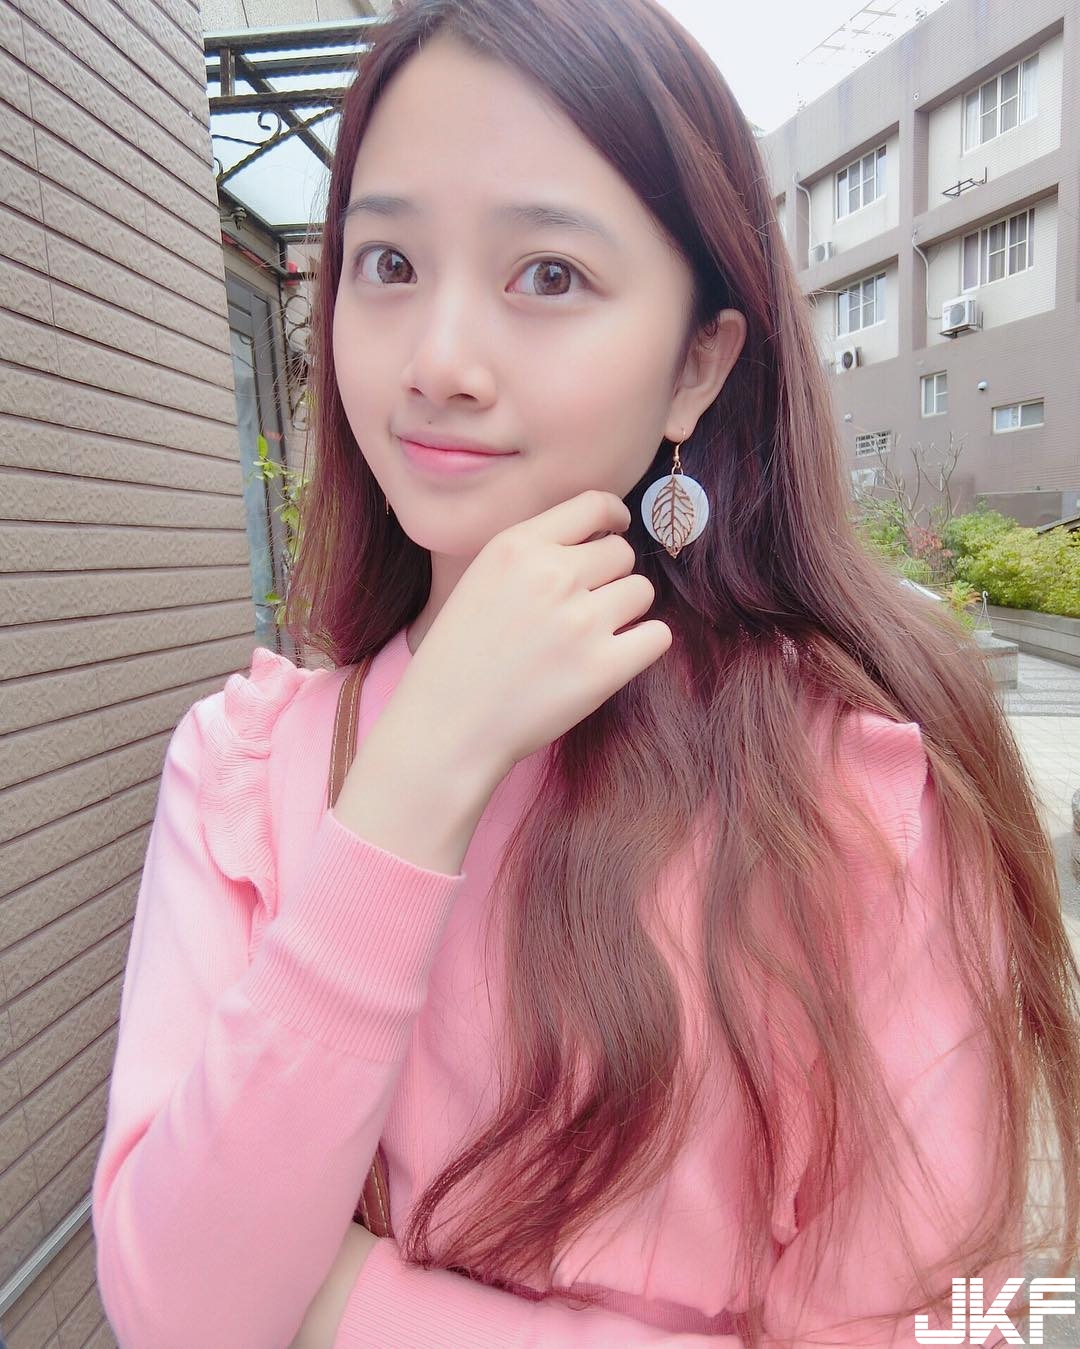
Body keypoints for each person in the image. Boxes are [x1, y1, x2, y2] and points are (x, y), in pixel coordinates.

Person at [91, 0, 1080, 1345]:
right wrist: (414, 783)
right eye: (388, 261)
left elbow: (941, 1325)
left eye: (548, 274)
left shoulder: (857, 792)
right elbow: (178, 1312)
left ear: (697, 365)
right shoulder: (240, 770)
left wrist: (344, 1306)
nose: (439, 361)